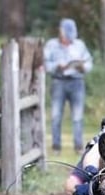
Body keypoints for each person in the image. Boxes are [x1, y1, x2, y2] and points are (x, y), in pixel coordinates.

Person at [43, 18, 93, 153]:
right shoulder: (51, 45)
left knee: (77, 116)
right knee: (55, 115)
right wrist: (57, 66)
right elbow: (45, 65)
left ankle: (78, 147)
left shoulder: (79, 45)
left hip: (77, 82)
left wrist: (82, 67)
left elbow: (88, 63)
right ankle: (56, 147)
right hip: (58, 81)